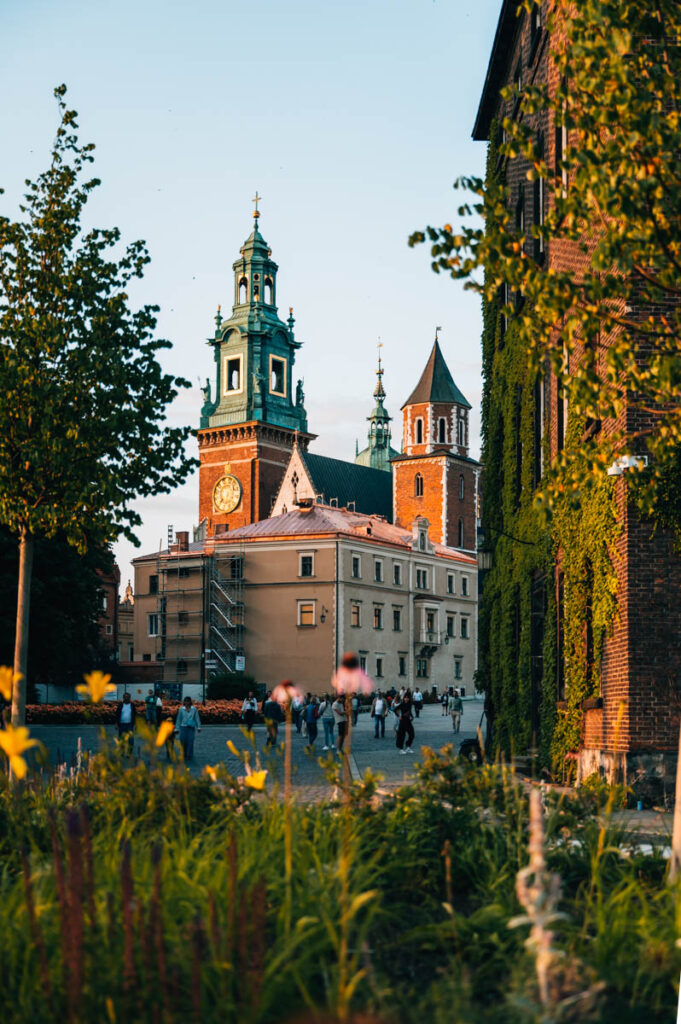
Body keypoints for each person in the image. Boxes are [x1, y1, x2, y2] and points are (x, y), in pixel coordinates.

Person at [175, 696, 202, 761]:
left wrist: (198, 727)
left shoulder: (194, 709)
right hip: (183, 727)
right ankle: (183, 754)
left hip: (191, 727)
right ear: (184, 702)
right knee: (183, 741)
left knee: (190, 741)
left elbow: (197, 718)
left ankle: (189, 755)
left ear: (190, 702)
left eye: (188, 701)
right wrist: (177, 728)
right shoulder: (181, 709)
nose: (187, 702)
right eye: (186, 701)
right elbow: (179, 719)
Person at [396, 688, 415, 754]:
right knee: (402, 735)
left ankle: (408, 747)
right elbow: (395, 709)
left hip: (408, 721)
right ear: (403, 698)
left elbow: (409, 712)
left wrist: (412, 716)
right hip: (403, 721)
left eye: (407, 698)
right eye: (405, 698)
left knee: (412, 734)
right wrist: (399, 716)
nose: (406, 699)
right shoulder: (402, 704)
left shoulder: (410, 704)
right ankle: (401, 749)